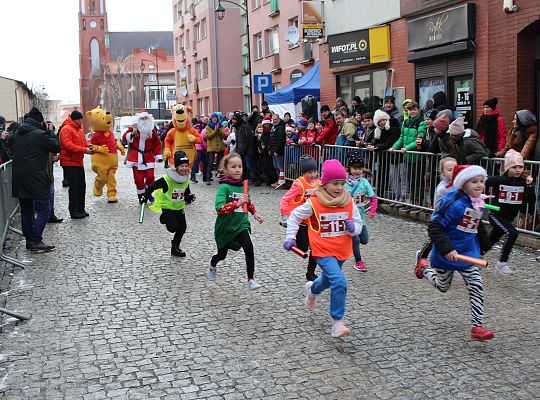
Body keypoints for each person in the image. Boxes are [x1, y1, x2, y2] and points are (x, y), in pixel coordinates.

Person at [284, 159, 362, 338]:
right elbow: (295, 216)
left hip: (342, 250)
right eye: (335, 183)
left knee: (327, 281)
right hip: (322, 250)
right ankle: (337, 323)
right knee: (339, 281)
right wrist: (290, 237)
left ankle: (312, 290)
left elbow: (358, 224)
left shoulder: (348, 200)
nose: (339, 187)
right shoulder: (314, 202)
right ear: (325, 184)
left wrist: (353, 229)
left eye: (342, 183)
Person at [415, 164, 494, 341]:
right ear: (463, 184)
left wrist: (484, 245)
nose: (480, 185)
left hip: (468, 254)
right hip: (447, 254)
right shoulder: (452, 203)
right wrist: (448, 248)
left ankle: (477, 326)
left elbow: (476, 224)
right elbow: (434, 226)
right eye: (474, 181)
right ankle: (424, 268)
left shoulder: (478, 201)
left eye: (482, 181)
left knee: (476, 286)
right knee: (443, 287)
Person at [208, 153, 264, 290]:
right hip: (225, 227)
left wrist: (255, 213)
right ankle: (212, 263)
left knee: (249, 247)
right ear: (226, 170)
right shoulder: (224, 188)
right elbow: (219, 209)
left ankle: (251, 279)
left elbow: (247, 201)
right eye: (233, 167)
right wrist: (236, 204)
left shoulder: (244, 185)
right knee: (222, 255)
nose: (238, 169)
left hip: (241, 225)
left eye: (240, 166)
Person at [11, 107, 60, 251]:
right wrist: (50, 131)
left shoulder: (18, 133)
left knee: (26, 210)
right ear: (39, 122)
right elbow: (56, 146)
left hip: (19, 177)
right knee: (44, 208)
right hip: (36, 177)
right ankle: (36, 239)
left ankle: (29, 241)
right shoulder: (39, 134)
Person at [484, 150, 535, 274]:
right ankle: (502, 262)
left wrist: (530, 187)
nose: (517, 170)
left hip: (509, 217)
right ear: (507, 168)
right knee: (512, 233)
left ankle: (477, 255)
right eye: (514, 167)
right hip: (496, 215)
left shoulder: (524, 183)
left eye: (520, 167)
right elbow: (483, 180)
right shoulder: (500, 180)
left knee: (492, 239)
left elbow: (529, 200)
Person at [141, 151, 195, 257]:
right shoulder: (167, 179)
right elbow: (152, 187)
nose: (184, 168)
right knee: (172, 228)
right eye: (181, 166)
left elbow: (186, 192)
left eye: (186, 166)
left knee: (182, 228)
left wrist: (189, 197)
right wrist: (145, 197)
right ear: (176, 167)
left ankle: (175, 247)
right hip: (168, 207)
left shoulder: (185, 179)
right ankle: (164, 217)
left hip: (179, 207)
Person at [280, 155, 320, 281]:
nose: (313, 175)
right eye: (309, 172)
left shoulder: (319, 183)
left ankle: (310, 272)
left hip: (314, 222)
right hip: (301, 221)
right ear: (304, 173)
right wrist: (285, 217)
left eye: (314, 171)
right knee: (303, 248)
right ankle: (292, 241)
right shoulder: (299, 184)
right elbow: (285, 199)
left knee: (315, 247)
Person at [415, 157, 457, 269]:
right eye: (449, 169)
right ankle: (421, 256)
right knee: (433, 240)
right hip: (439, 219)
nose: (453, 172)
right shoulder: (442, 188)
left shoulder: (458, 185)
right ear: (442, 172)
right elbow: (439, 206)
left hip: (452, 220)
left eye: (456, 169)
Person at [344, 150, 377, 272]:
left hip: (360, 217)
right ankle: (358, 261)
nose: (357, 171)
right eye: (355, 168)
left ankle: (350, 242)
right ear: (349, 168)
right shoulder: (344, 182)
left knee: (364, 240)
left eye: (360, 168)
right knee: (356, 239)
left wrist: (372, 211)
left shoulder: (364, 182)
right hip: (347, 217)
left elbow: (373, 198)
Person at [59, 110, 93, 219]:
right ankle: (74, 211)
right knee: (74, 187)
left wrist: (89, 146)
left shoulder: (78, 130)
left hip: (78, 162)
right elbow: (68, 145)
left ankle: (81, 209)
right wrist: (84, 150)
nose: (82, 121)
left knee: (81, 186)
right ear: (76, 119)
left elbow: (82, 143)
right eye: (80, 119)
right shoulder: (66, 129)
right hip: (69, 162)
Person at [123, 112, 163, 201]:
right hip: (136, 158)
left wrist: (158, 155)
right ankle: (141, 196)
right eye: (142, 119)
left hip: (148, 157)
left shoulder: (151, 130)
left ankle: (147, 191)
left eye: (146, 118)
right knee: (138, 179)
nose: (144, 121)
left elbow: (156, 143)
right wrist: (132, 133)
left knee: (150, 177)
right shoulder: (133, 128)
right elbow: (124, 136)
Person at [233, 112, 261, 186]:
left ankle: (258, 178)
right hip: (243, 150)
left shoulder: (244, 127)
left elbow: (246, 140)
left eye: (235, 120)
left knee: (250, 165)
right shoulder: (239, 127)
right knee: (245, 166)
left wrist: (241, 150)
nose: (233, 121)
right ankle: (247, 179)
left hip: (247, 150)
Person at [205, 112, 225, 183]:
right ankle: (208, 178)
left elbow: (223, 135)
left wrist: (218, 130)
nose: (214, 119)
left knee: (221, 163)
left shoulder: (220, 125)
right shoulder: (208, 126)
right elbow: (208, 136)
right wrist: (214, 131)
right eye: (213, 118)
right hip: (211, 147)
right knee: (210, 163)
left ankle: (222, 178)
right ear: (211, 119)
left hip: (220, 146)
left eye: (215, 117)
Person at [268, 113, 286, 187]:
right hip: (273, 150)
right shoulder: (273, 127)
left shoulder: (281, 127)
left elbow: (280, 140)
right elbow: (270, 138)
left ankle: (281, 182)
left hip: (278, 151)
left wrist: (277, 150)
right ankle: (279, 181)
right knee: (275, 166)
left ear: (279, 119)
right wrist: (269, 149)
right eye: (273, 119)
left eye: (276, 119)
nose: (274, 121)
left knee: (279, 166)